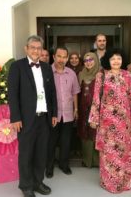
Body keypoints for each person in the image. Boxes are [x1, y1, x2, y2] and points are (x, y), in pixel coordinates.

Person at [8, 35, 58, 197]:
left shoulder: (46, 67)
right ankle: (26, 185)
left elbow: (52, 93)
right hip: (25, 119)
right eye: (33, 47)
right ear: (26, 49)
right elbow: (12, 94)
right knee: (26, 153)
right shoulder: (17, 67)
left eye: (39, 48)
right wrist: (15, 117)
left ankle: (38, 182)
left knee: (41, 152)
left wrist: (54, 113)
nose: (36, 50)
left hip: (44, 118)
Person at [89, 48, 131, 193]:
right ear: (107, 61)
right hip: (107, 122)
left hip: (124, 122)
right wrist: (94, 118)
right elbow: (96, 98)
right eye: (113, 59)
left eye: (119, 58)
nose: (116, 61)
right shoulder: (101, 75)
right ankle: (109, 183)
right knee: (108, 152)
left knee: (124, 151)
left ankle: (124, 182)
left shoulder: (127, 75)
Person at [46, 46, 81, 178]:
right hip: (52, 115)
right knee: (51, 141)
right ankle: (49, 167)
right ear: (54, 57)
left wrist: (76, 109)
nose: (61, 59)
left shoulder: (71, 73)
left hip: (68, 113)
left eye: (64, 57)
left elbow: (75, 93)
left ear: (67, 58)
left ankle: (64, 165)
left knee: (66, 141)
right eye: (58, 56)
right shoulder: (47, 72)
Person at [77, 52, 100, 168]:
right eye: (86, 60)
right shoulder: (81, 74)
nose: (88, 62)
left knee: (95, 134)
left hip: (97, 109)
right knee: (84, 133)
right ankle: (86, 161)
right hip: (83, 109)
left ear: (95, 60)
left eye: (91, 59)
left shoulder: (101, 74)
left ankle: (96, 161)